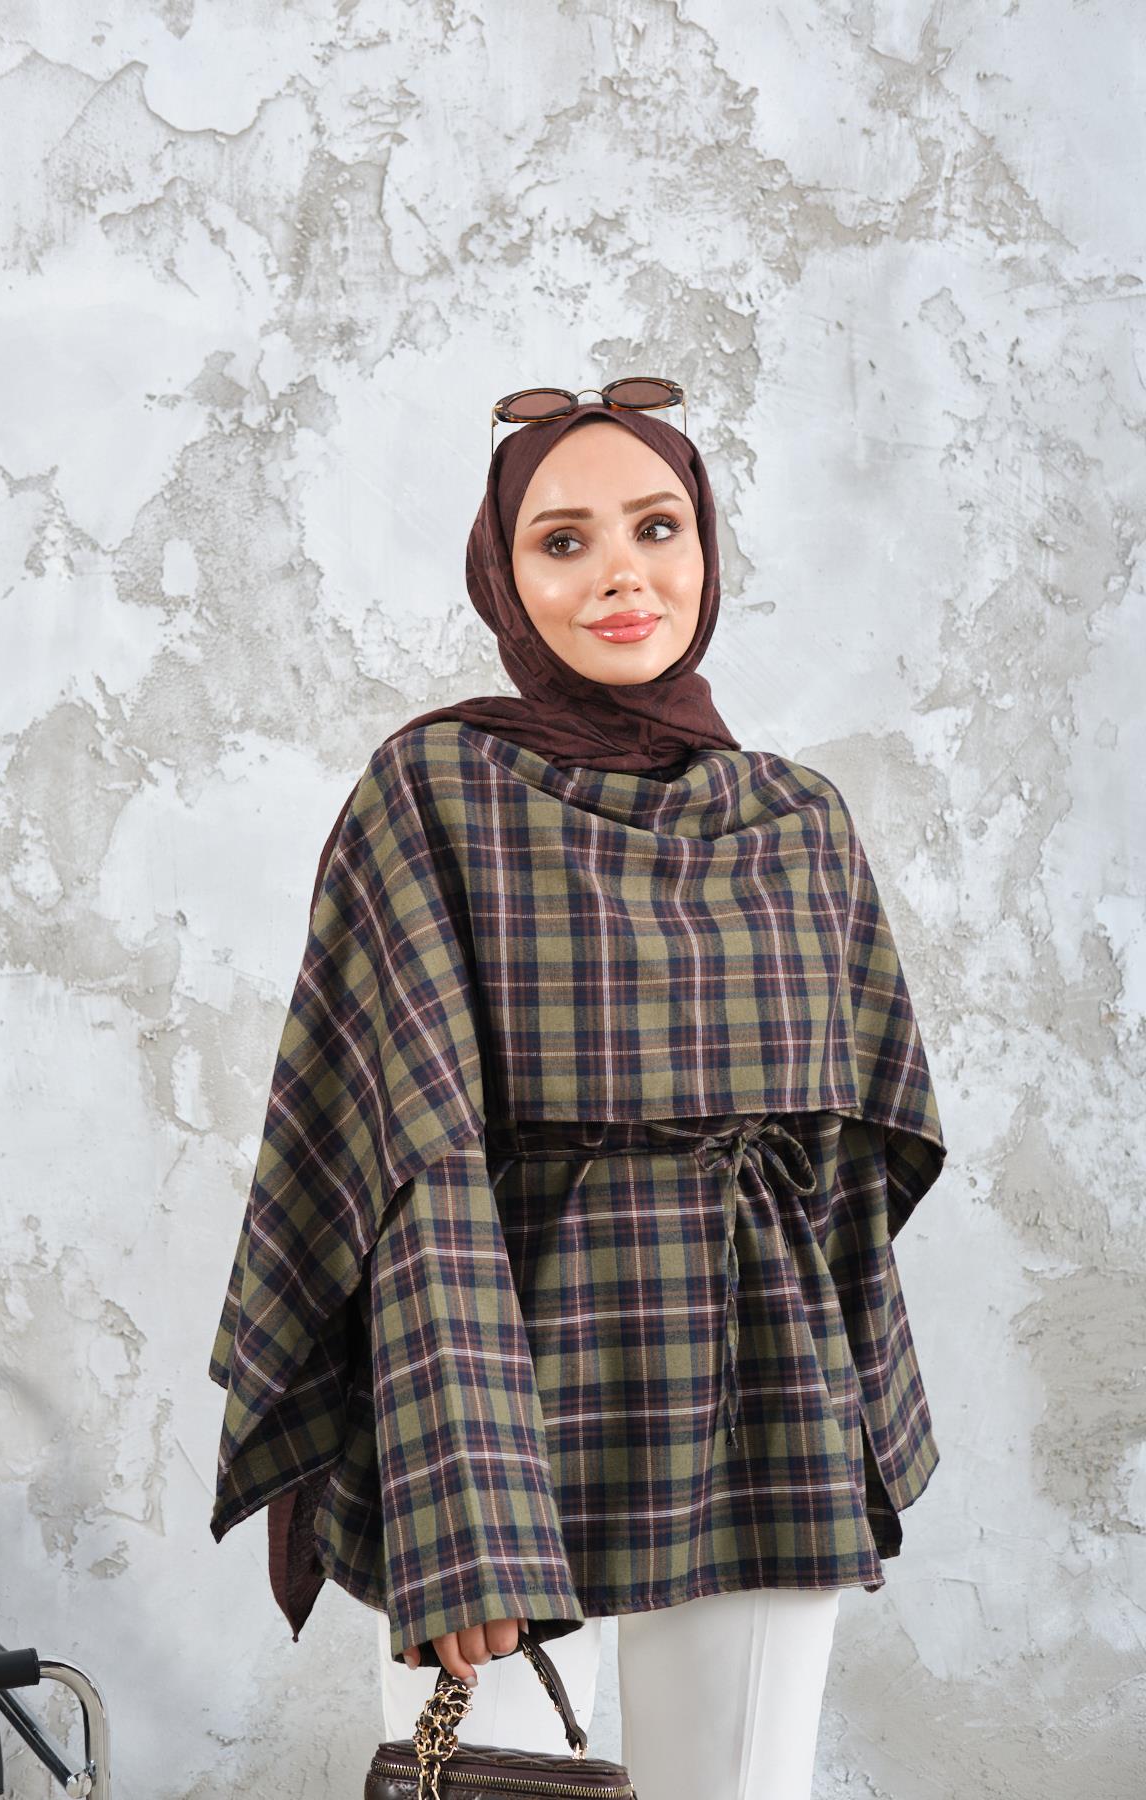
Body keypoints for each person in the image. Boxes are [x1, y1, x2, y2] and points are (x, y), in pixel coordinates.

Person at [206, 385, 948, 1800]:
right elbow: (413, 1162)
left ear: (706, 545)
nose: (622, 572)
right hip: (502, 1381)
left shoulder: (800, 820)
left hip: (764, 1386)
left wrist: (854, 1410)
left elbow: (852, 1167)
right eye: (563, 540)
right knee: (488, 1786)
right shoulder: (433, 790)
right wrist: (458, 1505)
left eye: (658, 527)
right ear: (503, 575)